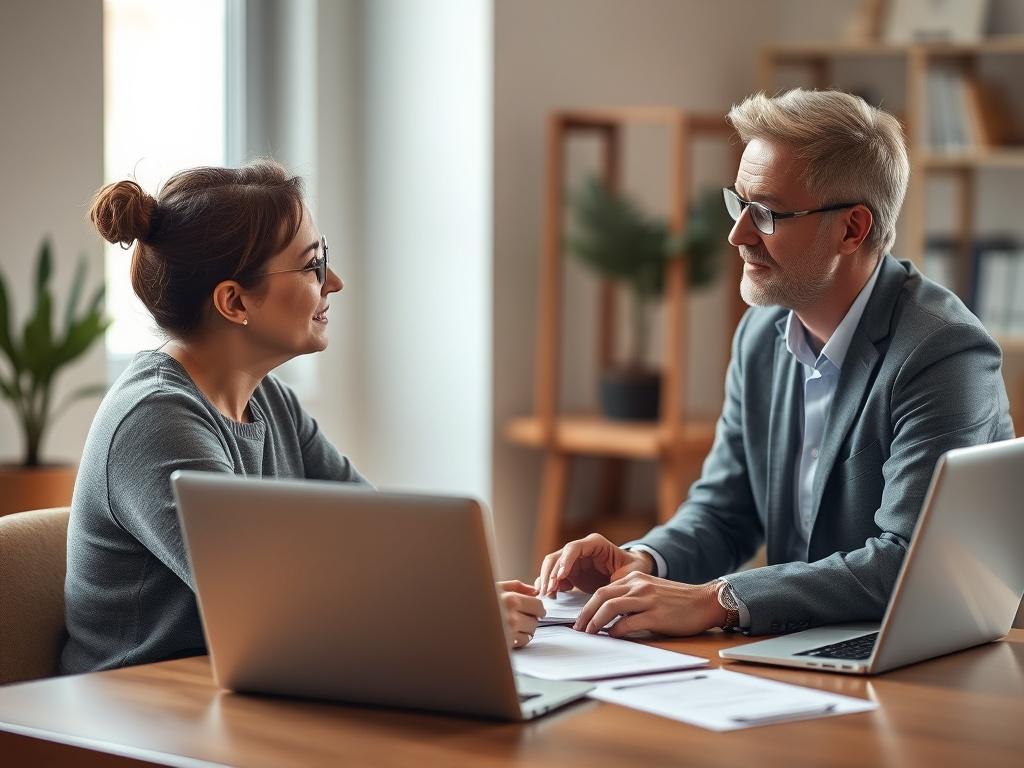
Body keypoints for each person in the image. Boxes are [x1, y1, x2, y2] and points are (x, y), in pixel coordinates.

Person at [537, 89, 1014, 638]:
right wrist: (643, 561)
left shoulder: (943, 352)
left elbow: (908, 563)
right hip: (798, 647)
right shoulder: (761, 335)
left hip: (920, 659)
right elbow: (724, 510)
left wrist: (720, 598)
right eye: (738, 204)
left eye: (764, 213)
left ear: (853, 228)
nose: (737, 234)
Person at [62, 160, 542, 674]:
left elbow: (378, 539)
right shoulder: (154, 421)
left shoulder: (271, 401)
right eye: (312, 265)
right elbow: (268, 605)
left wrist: (456, 603)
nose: (333, 282)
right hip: (140, 709)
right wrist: (452, 620)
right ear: (234, 300)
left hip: (255, 683)